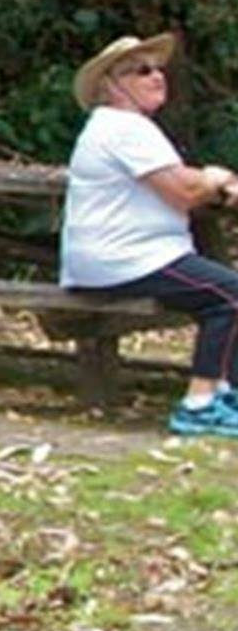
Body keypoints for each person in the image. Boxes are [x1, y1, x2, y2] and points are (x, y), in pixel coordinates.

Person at [61, 33, 238, 435]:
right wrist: (217, 179)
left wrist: (214, 182)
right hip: (125, 258)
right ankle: (199, 404)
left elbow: (177, 179)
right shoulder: (124, 128)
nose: (157, 76)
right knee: (230, 295)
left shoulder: (122, 127)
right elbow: (185, 192)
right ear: (111, 85)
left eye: (158, 69)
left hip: (121, 256)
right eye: (141, 71)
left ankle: (225, 394)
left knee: (222, 291)